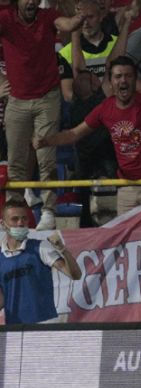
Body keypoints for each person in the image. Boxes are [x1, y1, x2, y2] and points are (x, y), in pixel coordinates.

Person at [33, 56, 141, 216]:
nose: (123, 80)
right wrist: (46, 141)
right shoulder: (105, 108)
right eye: (118, 76)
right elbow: (74, 134)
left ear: (135, 81)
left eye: (128, 76)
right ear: (110, 82)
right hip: (126, 187)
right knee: (125, 232)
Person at [0, 0, 85, 230]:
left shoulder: (48, 16)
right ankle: (13, 213)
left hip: (47, 98)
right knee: (16, 162)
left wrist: (79, 17)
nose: (31, 1)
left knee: (46, 158)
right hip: (17, 100)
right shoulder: (5, 18)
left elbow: (67, 24)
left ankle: (48, 212)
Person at [0, 199, 81, 324]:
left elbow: (75, 275)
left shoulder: (41, 247)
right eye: (14, 219)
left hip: (44, 324)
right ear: (3, 223)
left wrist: (63, 250)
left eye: (24, 218)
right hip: (14, 327)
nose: (20, 223)